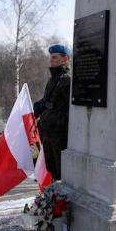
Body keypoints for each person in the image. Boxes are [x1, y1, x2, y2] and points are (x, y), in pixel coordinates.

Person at [34, 44, 71, 181]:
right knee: (52, 168)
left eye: (54, 58)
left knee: (61, 169)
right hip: (48, 132)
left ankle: (61, 200)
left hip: (59, 134)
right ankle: (56, 198)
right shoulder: (52, 79)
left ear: (65, 58)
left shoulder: (67, 80)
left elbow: (68, 109)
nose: (51, 60)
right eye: (51, 58)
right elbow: (47, 101)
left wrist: (57, 123)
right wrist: (37, 107)